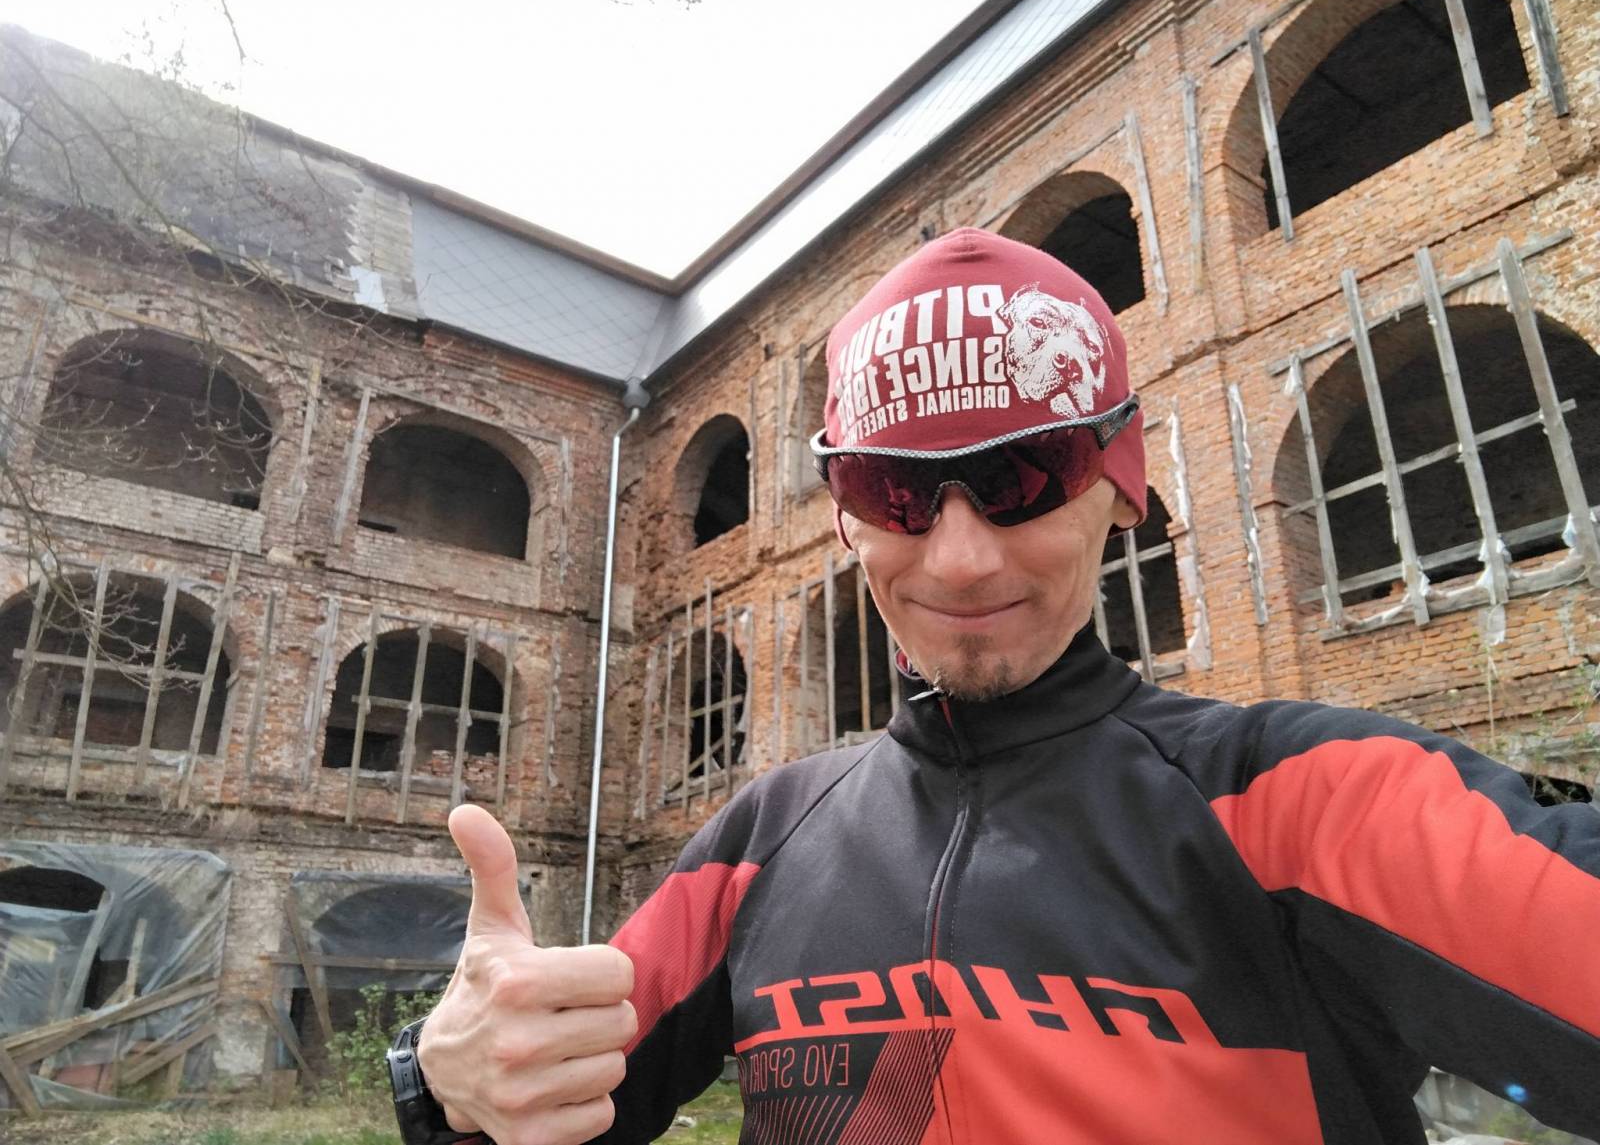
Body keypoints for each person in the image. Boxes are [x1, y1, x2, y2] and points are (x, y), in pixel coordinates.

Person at [395, 229, 1600, 1145]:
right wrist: (449, 1082)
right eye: (898, 493)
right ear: (847, 520)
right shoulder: (757, 844)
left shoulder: (1297, 802)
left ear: (1117, 485)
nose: (961, 559)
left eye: (1024, 476)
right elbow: (542, 1102)